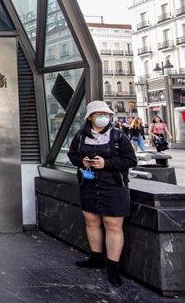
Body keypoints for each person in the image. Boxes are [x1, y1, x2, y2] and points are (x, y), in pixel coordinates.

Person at [68, 101, 137, 287]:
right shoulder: (81, 136)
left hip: (114, 186)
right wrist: (82, 161)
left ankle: (113, 267)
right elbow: (72, 155)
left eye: (104, 114)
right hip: (88, 183)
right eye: (97, 114)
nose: (102, 117)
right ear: (90, 117)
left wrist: (106, 164)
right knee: (91, 220)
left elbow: (130, 160)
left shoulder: (118, 136)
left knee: (113, 223)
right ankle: (96, 257)